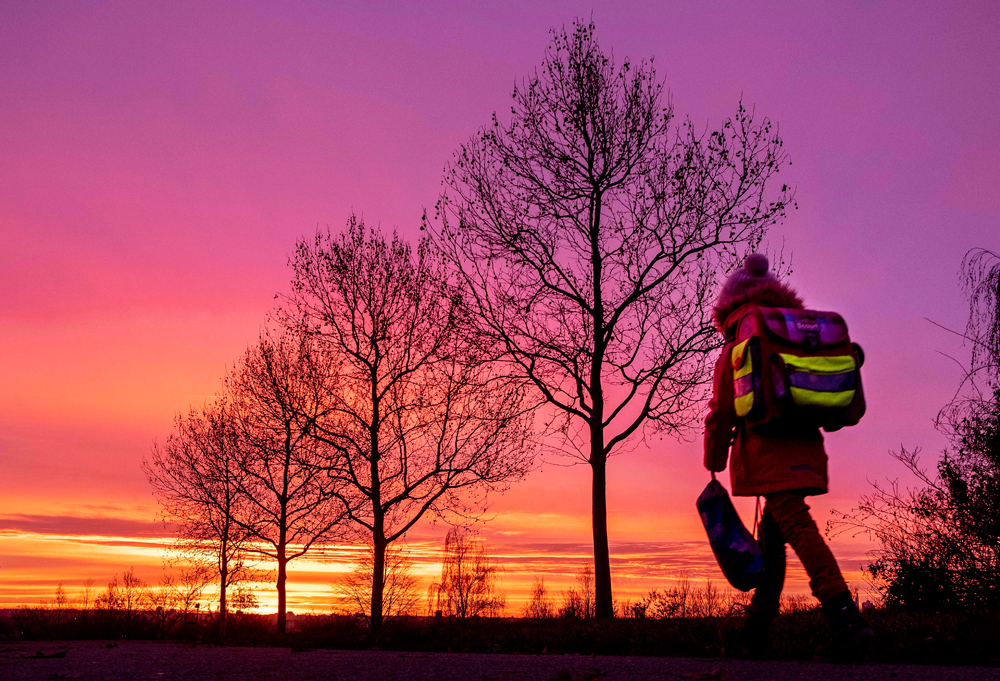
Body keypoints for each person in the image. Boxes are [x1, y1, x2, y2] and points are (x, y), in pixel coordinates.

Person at [704, 253, 874, 661]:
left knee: (795, 525)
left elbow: (722, 410)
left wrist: (714, 460)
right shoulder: (800, 338)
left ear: (730, 305)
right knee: (774, 539)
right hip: (805, 449)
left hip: (766, 453)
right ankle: (756, 631)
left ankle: (846, 617)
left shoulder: (739, 345)